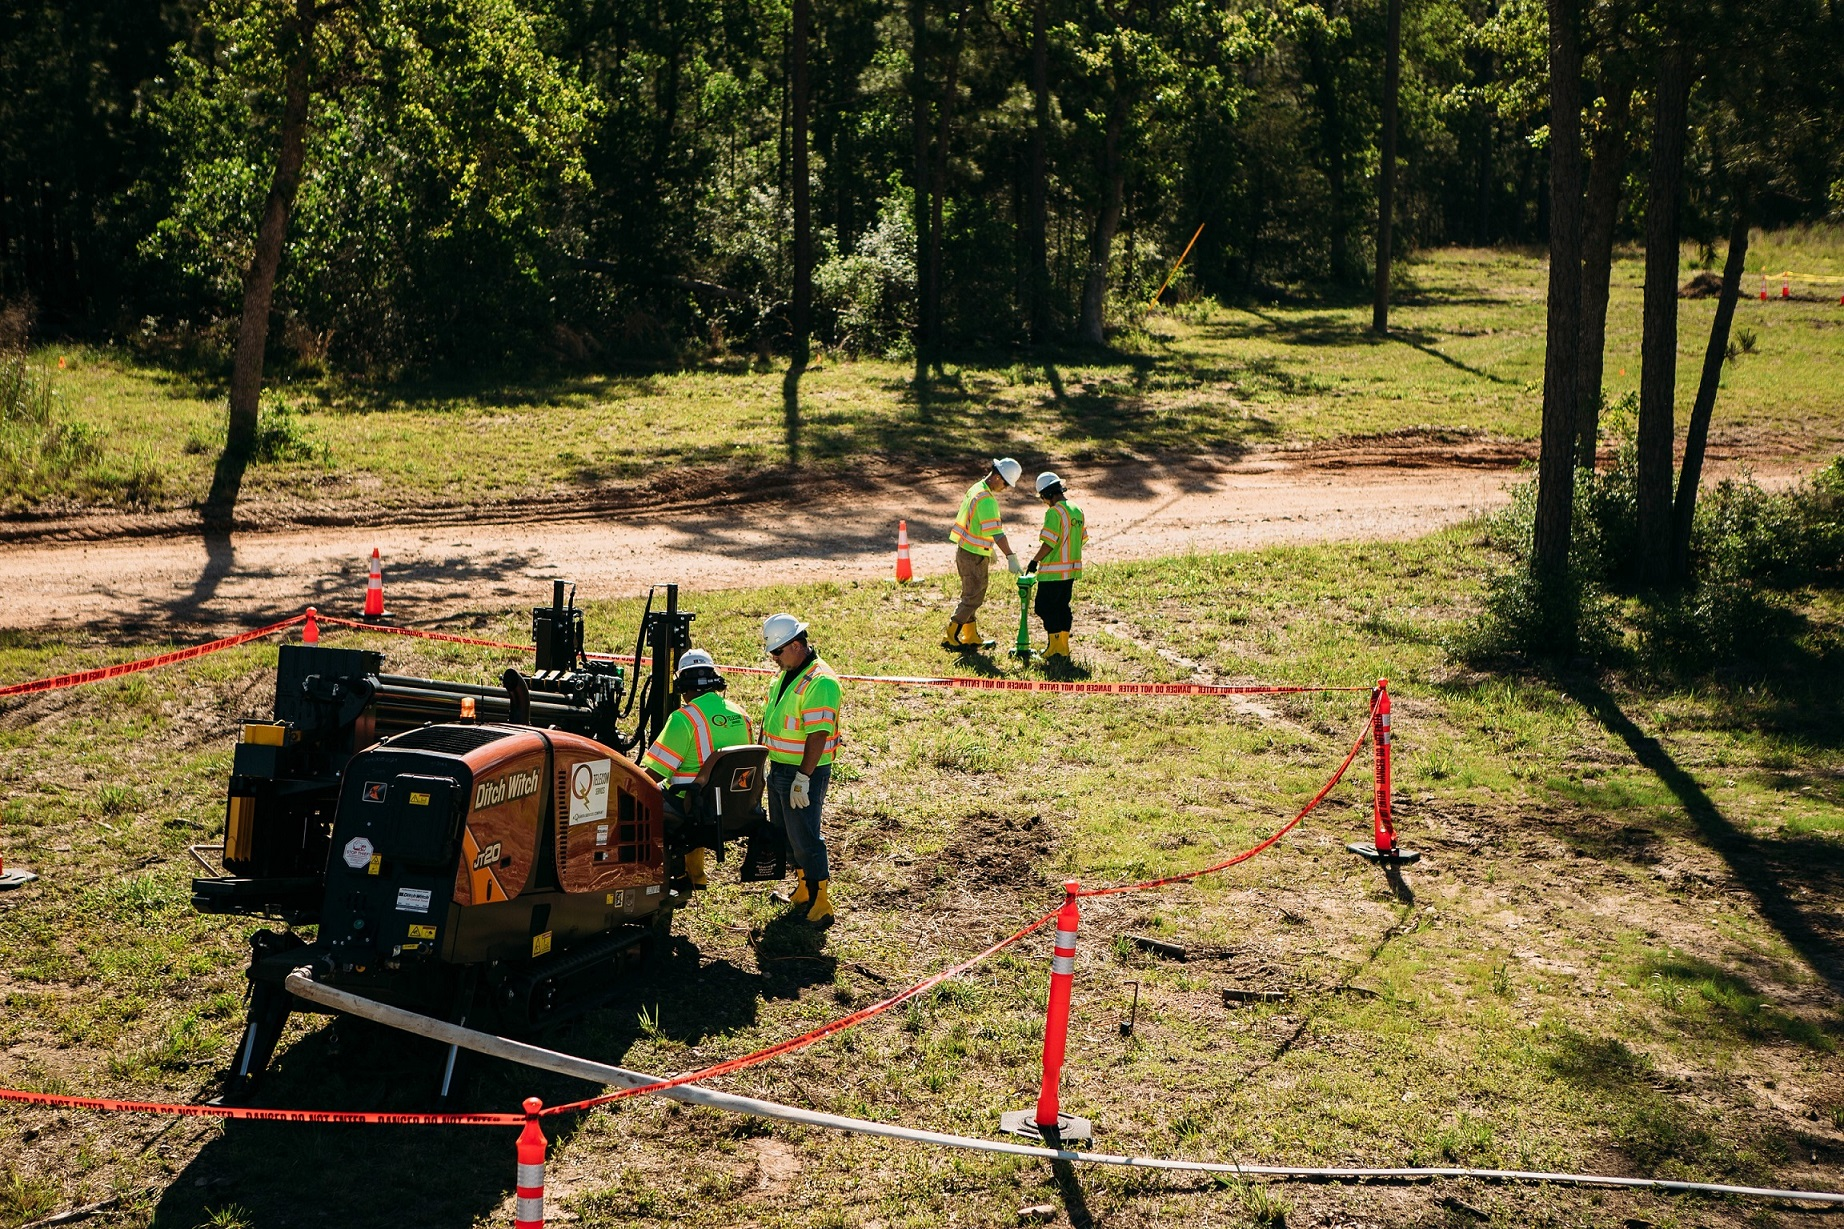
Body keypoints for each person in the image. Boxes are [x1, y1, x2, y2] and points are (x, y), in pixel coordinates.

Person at [640, 648, 756, 895]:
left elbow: (654, 775)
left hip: (692, 808)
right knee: (700, 793)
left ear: (681, 685)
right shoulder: (741, 714)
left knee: (639, 801)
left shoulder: (684, 719)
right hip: (734, 805)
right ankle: (695, 875)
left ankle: (657, 878)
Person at [759, 613, 842, 927]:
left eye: (777, 652)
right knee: (788, 836)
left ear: (795, 645)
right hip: (781, 768)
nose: (774, 659)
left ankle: (821, 903)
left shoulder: (820, 681)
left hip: (803, 773)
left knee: (806, 837)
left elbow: (818, 734)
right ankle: (804, 892)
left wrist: (803, 778)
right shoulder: (790, 673)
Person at [946, 456, 1025, 650]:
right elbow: (997, 533)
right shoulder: (986, 500)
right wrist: (1010, 557)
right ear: (998, 477)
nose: (1005, 488)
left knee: (971, 594)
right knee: (973, 598)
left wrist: (987, 549)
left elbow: (977, 525)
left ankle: (970, 636)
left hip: (967, 550)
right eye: (1006, 484)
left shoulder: (977, 488)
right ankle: (951, 635)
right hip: (973, 556)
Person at [1027, 471, 1087, 659]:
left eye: (1043, 498)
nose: (1044, 502)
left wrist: (1034, 561)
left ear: (1047, 494)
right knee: (1062, 607)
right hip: (1071, 571)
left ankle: (1055, 648)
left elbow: (1049, 542)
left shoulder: (1054, 512)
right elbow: (1082, 539)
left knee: (1044, 607)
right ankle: (1063, 647)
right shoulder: (1076, 509)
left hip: (1053, 572)